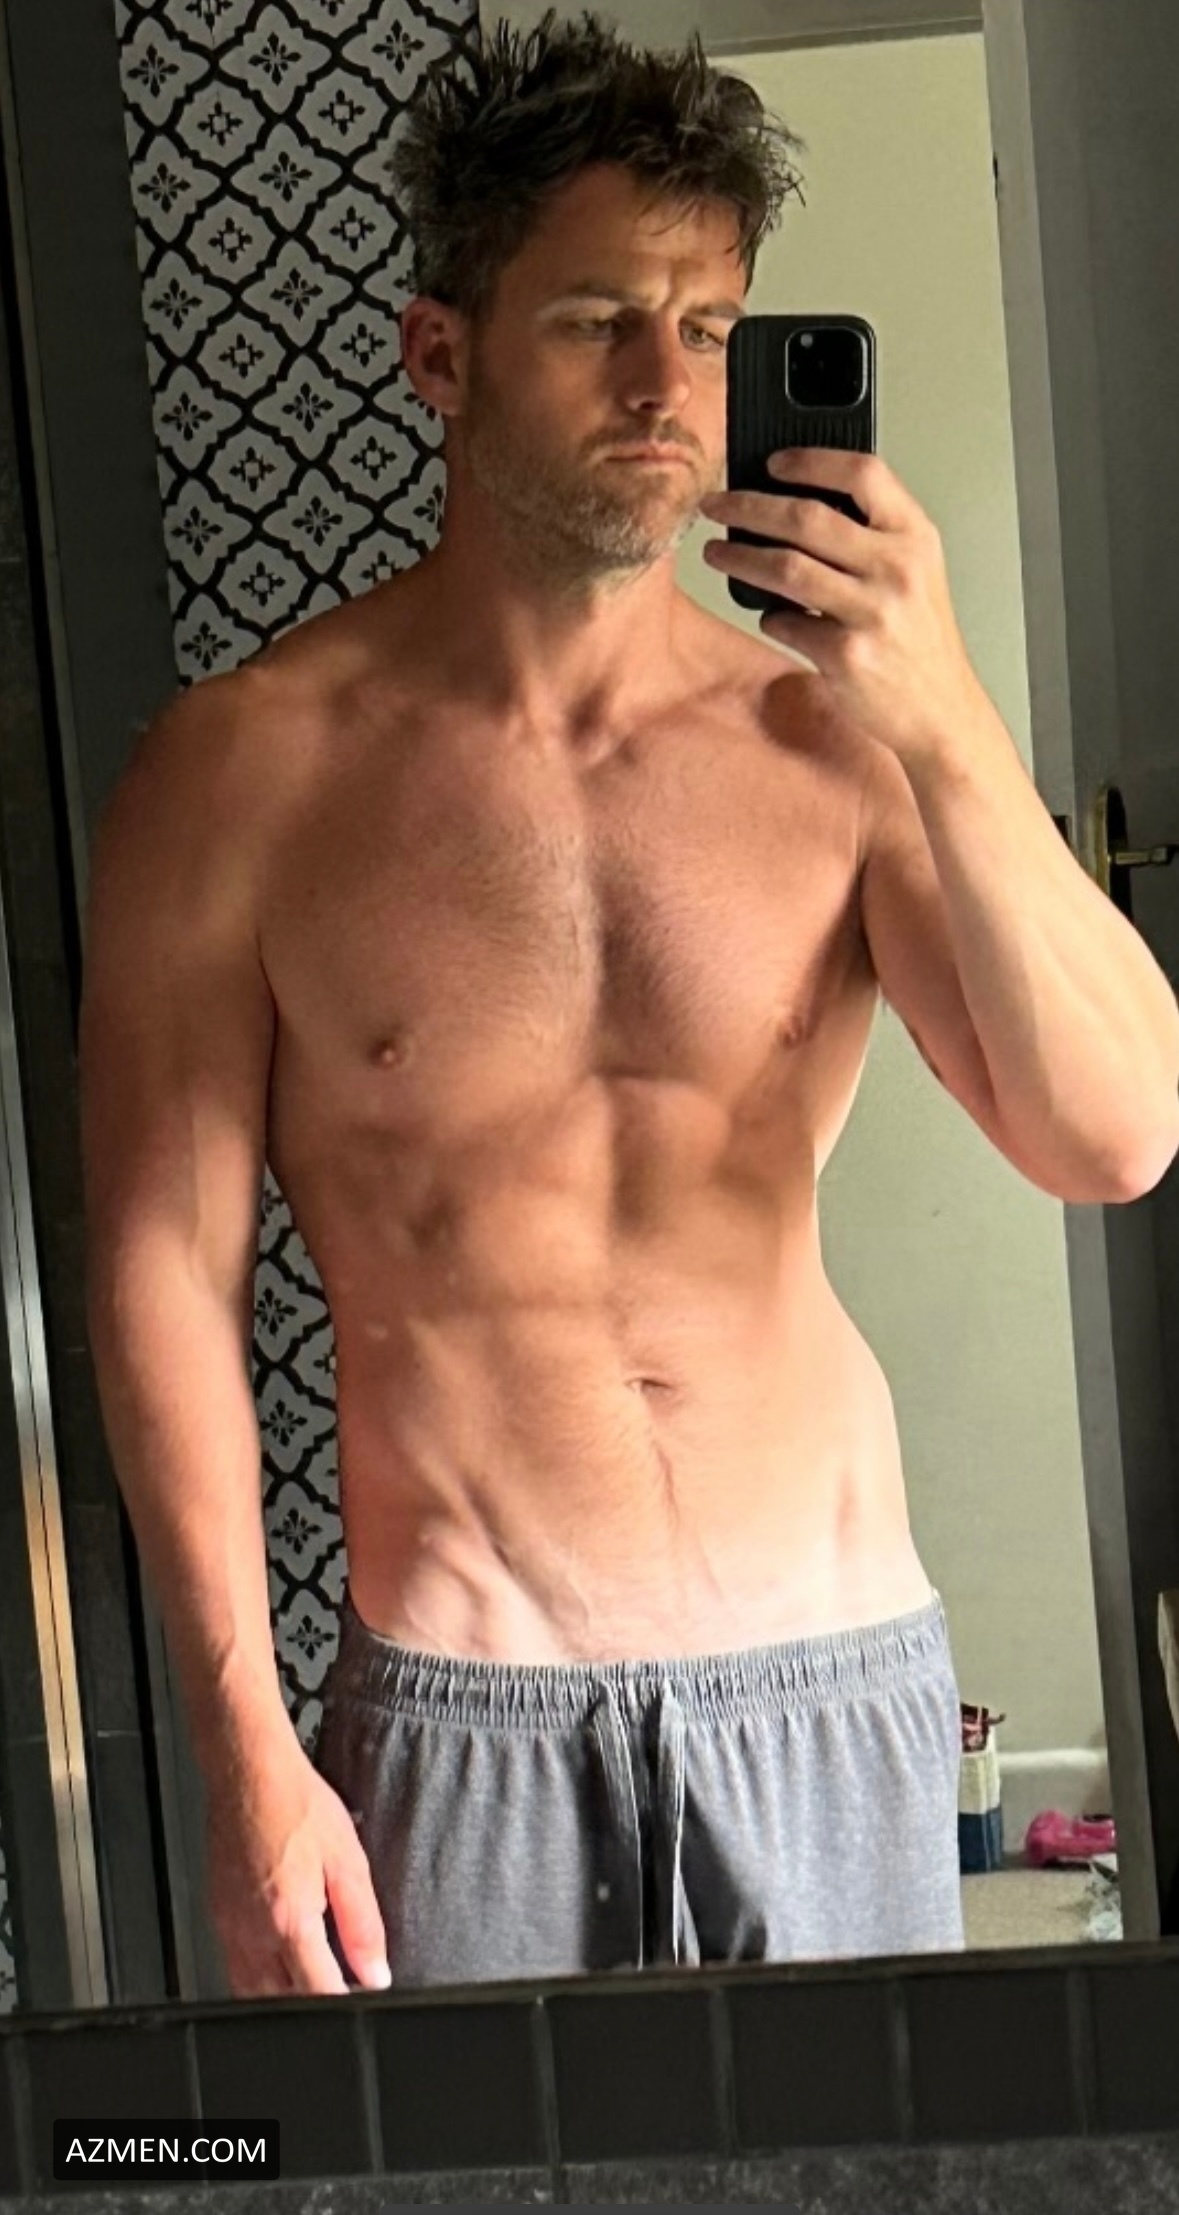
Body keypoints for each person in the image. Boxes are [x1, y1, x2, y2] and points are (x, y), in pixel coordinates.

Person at [79, 10, 1179, 1999]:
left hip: (831, 1676)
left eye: (709, 325)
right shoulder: (244, 777)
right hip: (469, 1706)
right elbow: (164, 1274)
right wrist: (245, 1756)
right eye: (596, 321)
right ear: (441, 354)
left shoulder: (842, 740)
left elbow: (1112, 1134)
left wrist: (943, 712)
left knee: (883, 2158)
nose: (668, 387)